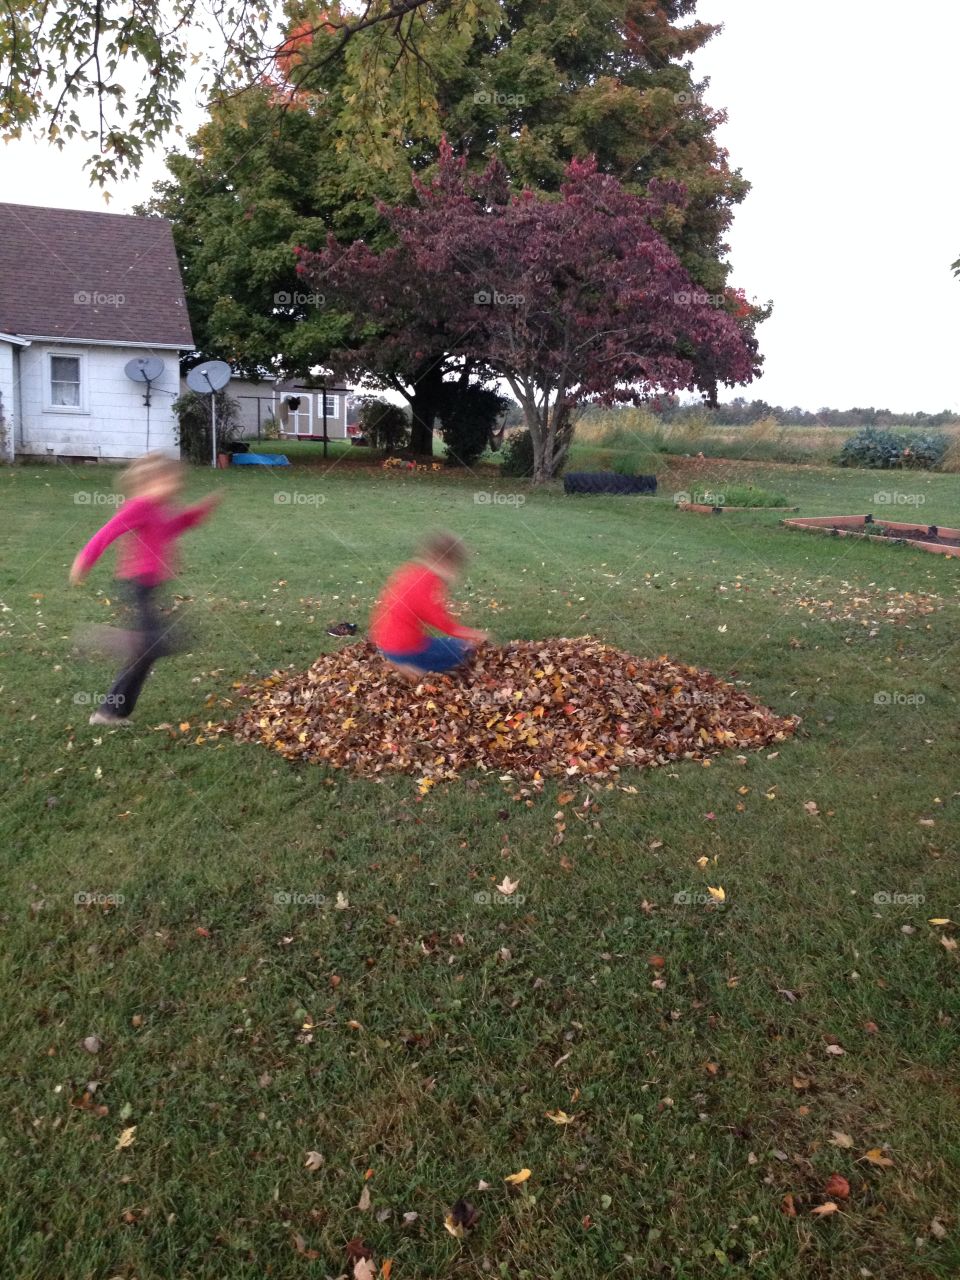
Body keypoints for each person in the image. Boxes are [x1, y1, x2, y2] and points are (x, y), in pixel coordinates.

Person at [69, 453, 221, 725]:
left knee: (148, 652)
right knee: (154, 643)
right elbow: (108, 531)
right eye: (170, 481)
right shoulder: (138, 506)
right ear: (150, 481)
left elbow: (175, 526)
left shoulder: (160, 507)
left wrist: (199, 512)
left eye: (177, 483)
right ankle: (112, 640)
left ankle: (110, 712)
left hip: (151, 587)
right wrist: (85, 558)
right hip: (137, 585)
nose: (175, 487)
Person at [370, 531, 489, 678]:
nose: (454, 574)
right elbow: (445, 625)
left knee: (446, 643)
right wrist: (474, 635)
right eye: (454, 568)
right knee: (463, 649)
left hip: (386, 641)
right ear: (445, 563)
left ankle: (404, 662)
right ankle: (411, 666)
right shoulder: (428, 585)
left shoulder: (411, 571)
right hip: (404, 649)